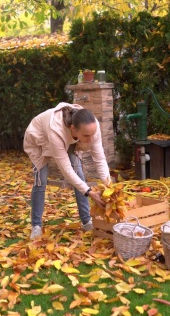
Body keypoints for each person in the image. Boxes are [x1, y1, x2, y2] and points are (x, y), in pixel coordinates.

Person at [23, 102, 110, 240]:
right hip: (39, 139)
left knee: (79, 175)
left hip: (68, 138)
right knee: (41, 180)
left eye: (92, 134)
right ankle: (36, 226)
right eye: (87, 136)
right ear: (73, 129)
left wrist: (108, 186)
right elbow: (66, 170)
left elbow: (99, 158)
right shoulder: (56, 130)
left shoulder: (91, 126)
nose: (91, 139)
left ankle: (87, 221)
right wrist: (89, 192)